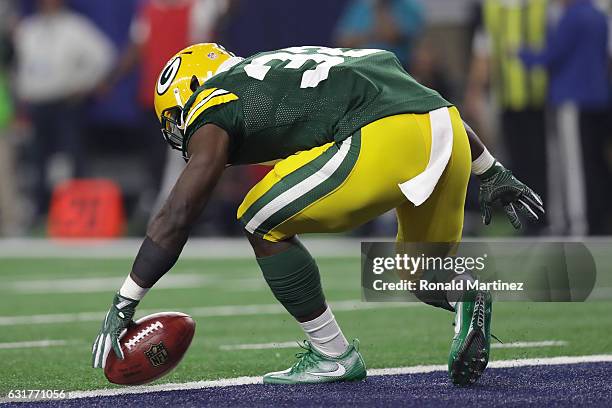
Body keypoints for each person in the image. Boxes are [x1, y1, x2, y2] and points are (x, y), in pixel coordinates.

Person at [91, 43, 544, 386]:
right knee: (420, 274)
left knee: (257, 217)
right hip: (447, 131)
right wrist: (491, 169)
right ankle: (467, 295)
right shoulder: (291, 66)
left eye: (176, 116)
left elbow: (179, 211)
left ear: (191, 86)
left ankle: (333, 353)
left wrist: (126, 298)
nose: (180, 129)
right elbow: (422, 101)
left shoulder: (216, 94)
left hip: (383, 137)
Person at [14, 0, 114, 220]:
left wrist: (84, 84)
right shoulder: (28, 28)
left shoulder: (75, 26)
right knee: (37, 161)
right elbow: (21, 67)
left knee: (74, 157)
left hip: (65, 104)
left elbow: (104, 55)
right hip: (37, 104)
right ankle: (41, 213)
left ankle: (79, 214)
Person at [519, 0, 611, 235]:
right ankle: (598, 218)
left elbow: (552, 55)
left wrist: (522, 54)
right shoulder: (598, 15)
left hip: (572, 100)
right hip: (598, 99)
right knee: (595, 162)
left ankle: (578, 222)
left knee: (574, 164)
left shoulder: (571, 18)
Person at [465, 0, 550, 235]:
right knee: (518, 161)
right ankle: (530, 219)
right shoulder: (491, 8)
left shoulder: (540, 6)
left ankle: (546, 217)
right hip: (507, 98)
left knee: (542, 161)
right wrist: (475, 90)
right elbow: (484, 49)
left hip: (540, 98)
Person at [335, 0, 425, 68]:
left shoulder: (409, 7)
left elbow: (391, 35)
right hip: (363, 66)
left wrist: (362, 37)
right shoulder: (360, 6)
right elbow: (343, 41)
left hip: (398, 67)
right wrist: (373, 34)